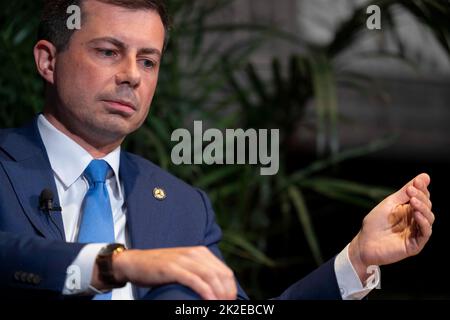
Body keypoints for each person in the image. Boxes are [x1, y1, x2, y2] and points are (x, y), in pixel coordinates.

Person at [0, 0, 434, 300]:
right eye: (109, 52)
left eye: (148, 61)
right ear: (48, 61)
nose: (131, 75)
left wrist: (355, 258)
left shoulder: (184, 209)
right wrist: (119, 265)